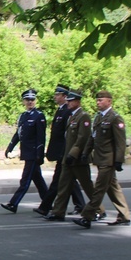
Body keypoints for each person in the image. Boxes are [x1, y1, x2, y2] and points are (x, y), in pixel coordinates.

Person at [44, 89, 105, 221]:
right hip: (68, 158)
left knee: (87, 185)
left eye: (70, 101)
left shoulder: (84, 117)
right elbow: (68, 138)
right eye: (68, 101)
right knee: (63, 185)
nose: (68, 103)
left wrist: (73, 154)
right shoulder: (72, 116)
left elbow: (83, 138)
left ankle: (99, 209)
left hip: (78, 159)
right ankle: (58, 212)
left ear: (77, 101)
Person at [73, 90, 131, 229]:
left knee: (99, 188)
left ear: (109, 101)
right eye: (97, 101)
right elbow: (93, 138)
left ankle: (87, 216)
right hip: (100, 159)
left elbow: (120, 142)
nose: (98, 103)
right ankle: (124, 215)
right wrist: (85, 153)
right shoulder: (99, 118)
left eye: (101, 100)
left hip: (108, 160)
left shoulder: (115, 118)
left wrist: (118, 160)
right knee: (113, 188)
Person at [33, 85, 85, 216]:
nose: (55, 97)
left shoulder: (68, 112)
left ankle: (46, 206)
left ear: (64, 96)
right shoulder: (61, 110)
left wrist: (65, 152)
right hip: (61, 151)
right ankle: (81, 205)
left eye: (57, 95)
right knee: (69, 180)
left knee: (59, 180)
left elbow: (68, 136)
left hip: (65, 151)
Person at [1, 89, 48, 213]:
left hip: (33, 154)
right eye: (27, 100)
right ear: (23, 101)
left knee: (25, 180)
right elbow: (19, 133)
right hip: (26, 152)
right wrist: (10, 146)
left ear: (35, 101)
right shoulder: (23, 116)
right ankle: (48, 204)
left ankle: (13, 203)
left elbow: (41, 137)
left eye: (32, 100)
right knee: (38, 180)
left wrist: (39, 154)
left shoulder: (39, 115)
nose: (30, 102)